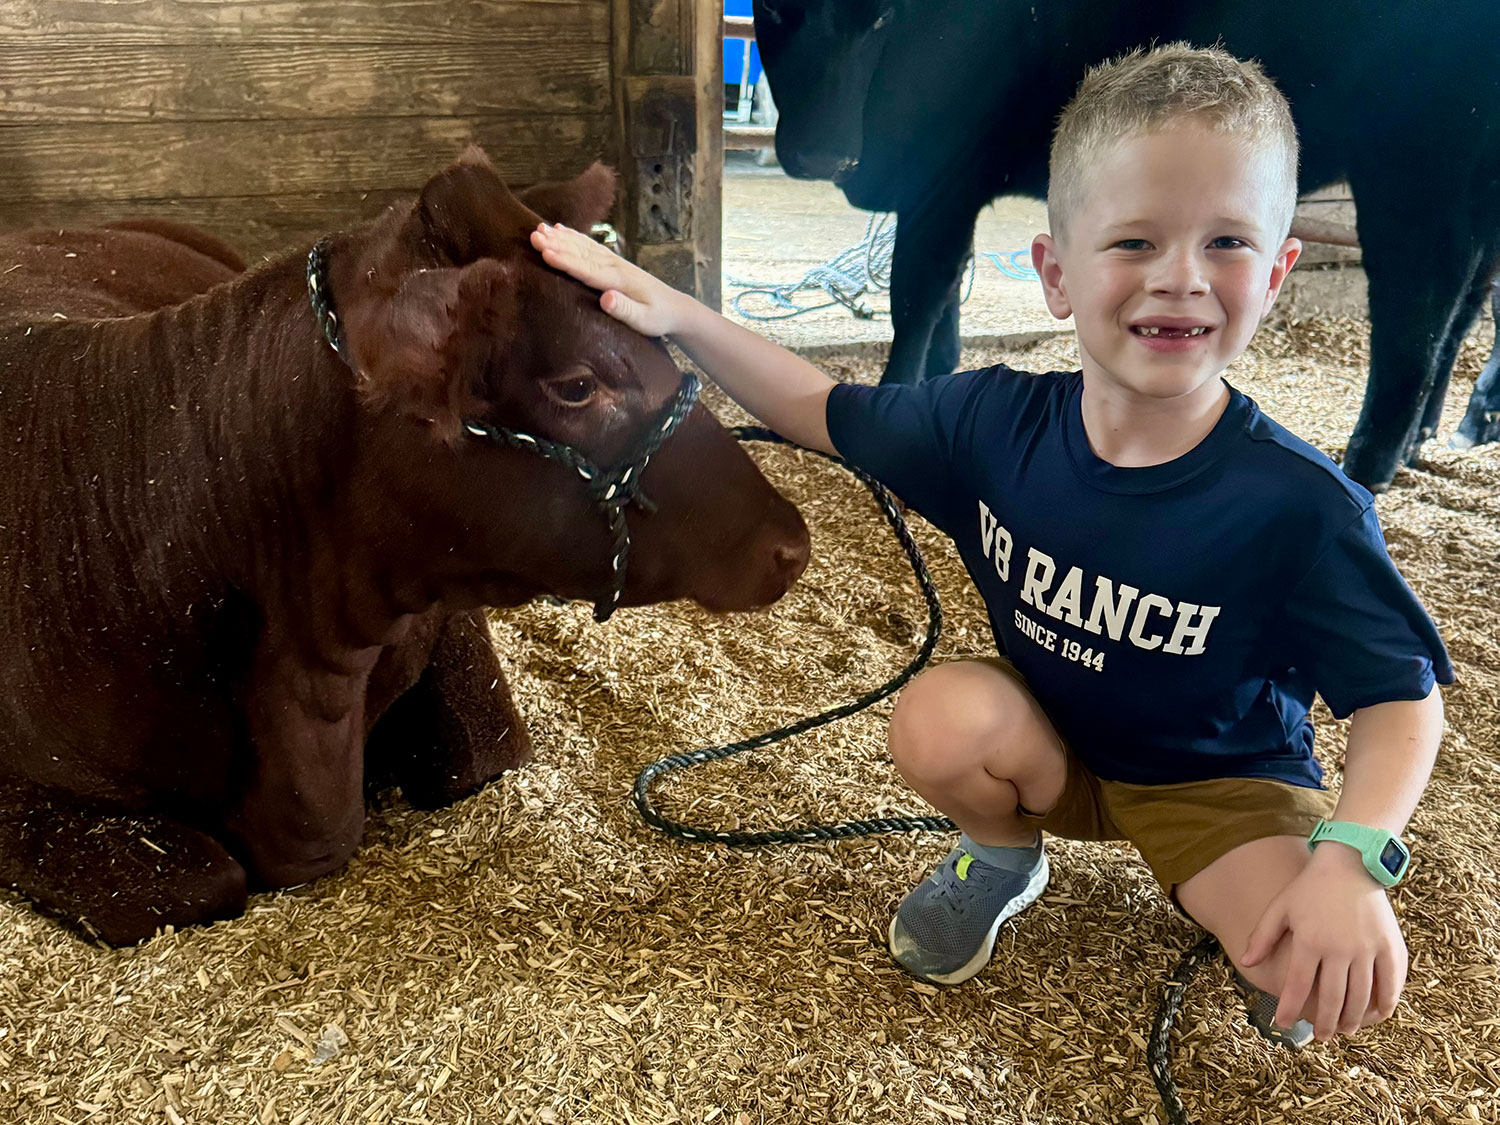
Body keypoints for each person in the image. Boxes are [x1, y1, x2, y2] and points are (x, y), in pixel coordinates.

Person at [530, 43, 1452, 1048]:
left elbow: (1400, 700)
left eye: (1226, 242)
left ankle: (1251, 888)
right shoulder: (989, 420)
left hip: (1217, 785)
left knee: (1311, 979)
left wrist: (1354, 859)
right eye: (1135, 242)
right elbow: (813, 405)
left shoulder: (1302, 506)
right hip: (1048, 743)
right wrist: (677, 314)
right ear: (1055, 274)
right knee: (939, 718)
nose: (1181, 279)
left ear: (1277, 275)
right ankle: (1002, 856)